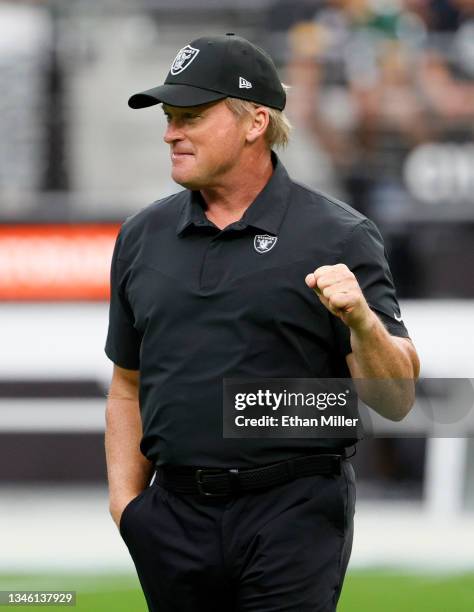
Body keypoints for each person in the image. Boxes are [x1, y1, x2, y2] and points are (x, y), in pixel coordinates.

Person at [104, 33, 420, 612]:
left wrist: (363, 322)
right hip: (173, 521)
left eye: (192, 116)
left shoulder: (339, 235)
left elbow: (397, 399)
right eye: (170, 117)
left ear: (254, 122)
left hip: (292, 515)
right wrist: (128, 508)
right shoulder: (141, 237)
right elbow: (128, 385)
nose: (172, 132)